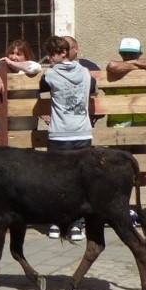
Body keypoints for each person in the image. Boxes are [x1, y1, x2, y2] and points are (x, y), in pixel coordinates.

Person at [42, 36, 93, 240]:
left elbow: (31, 71)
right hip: (82, 131)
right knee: (80, 180)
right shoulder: (86, 72)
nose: (49, 59)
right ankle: (77, 224)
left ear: (62, 53)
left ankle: (57, 221)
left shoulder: (50, 75)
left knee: (57, 180)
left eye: (51, 54)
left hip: (59, 133)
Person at [0, 39, 43, 132]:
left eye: (18, 54)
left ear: (26, 56)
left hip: (24, 124)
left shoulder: (28, 67)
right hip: (0, 124)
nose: (14, 57)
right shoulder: (2, 65)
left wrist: (11, 63)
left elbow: (35, 67)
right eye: (12, 53)